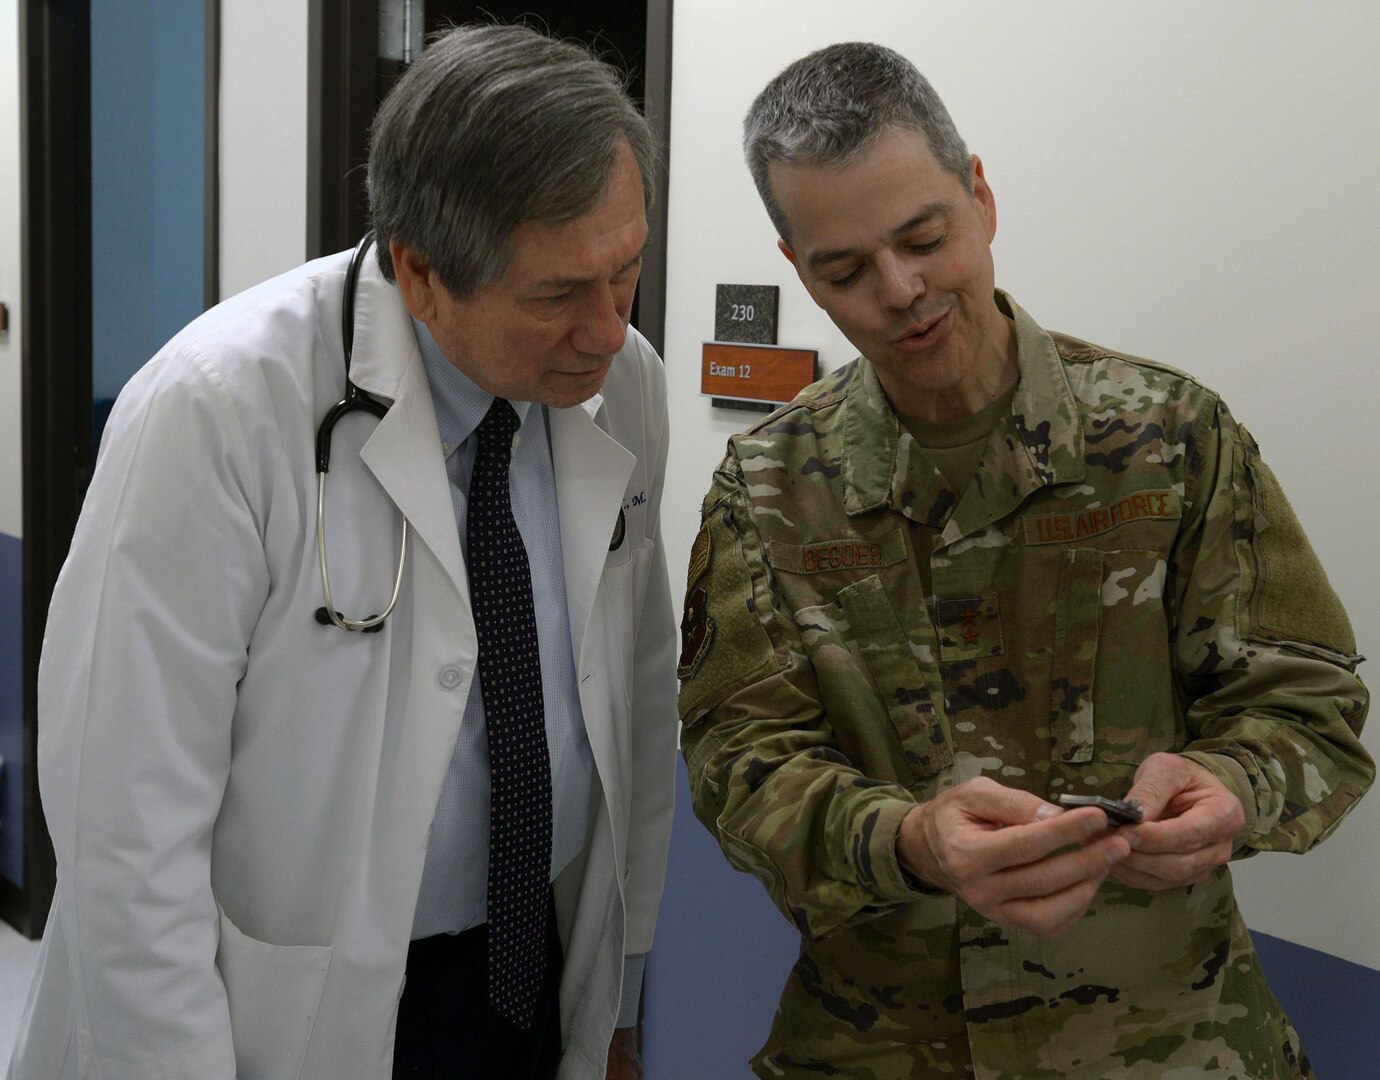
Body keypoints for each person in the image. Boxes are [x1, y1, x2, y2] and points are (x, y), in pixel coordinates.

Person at [677, 40, 1373, 1079]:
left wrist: (1234, 785)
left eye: (925, 237)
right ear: (799, 272)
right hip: (883, 1044)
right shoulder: (766, 490)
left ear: (981, 197)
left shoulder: (1172, 438)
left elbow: (1310, 705)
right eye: (845, 270)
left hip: (1164, 1040)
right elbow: (740, 769)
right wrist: (905, 840)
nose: (903, 290)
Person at [10, 23, 678, 1080]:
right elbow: (124, 829)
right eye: (557, 296)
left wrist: (624, 991)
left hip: (527, 980)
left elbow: (634, 704)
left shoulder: (622, 388)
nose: (606, 331)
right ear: (419, 272)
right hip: (277, 1017)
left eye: (627, 272)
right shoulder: (217, 411)